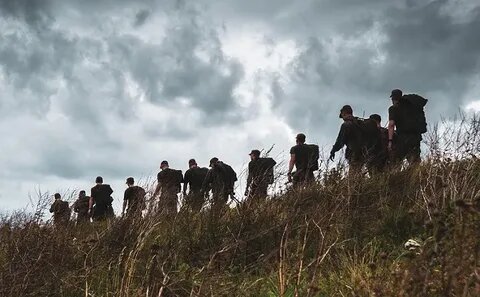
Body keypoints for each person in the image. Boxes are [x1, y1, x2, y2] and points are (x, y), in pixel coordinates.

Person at [388, 89, 427, 165]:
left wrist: (390, 141)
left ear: (393, 98)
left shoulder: (393, 108)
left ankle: (397, 176)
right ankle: (416, 176)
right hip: (415, 137)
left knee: (396, 162)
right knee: (415, 162)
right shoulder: (412, 107)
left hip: (402, 138)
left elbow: (391, 124)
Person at [329, 105, 368, 175]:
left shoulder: (346, 125)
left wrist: (333, 150)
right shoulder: (359, 122)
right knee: (359, 172)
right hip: (364, 152)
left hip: (353, 153)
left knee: (353, 175)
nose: (343, 119)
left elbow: (340, 141)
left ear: (344, 113)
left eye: (342, 116)